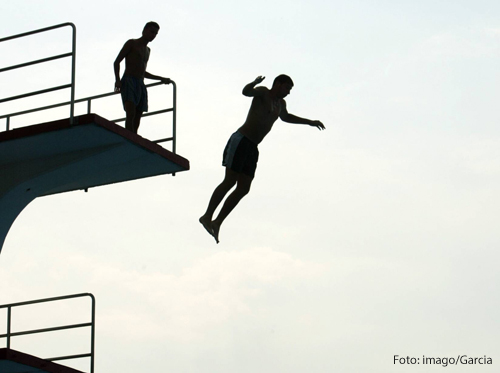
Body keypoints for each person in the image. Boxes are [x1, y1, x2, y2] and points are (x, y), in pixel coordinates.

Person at [199, 75, 325, 243]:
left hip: (253, 147)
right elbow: (246, 92)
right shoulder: (263, 93)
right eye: (286, 88)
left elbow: (286, 117)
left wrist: (309, 122)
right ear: (278, 84)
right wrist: (254, 83)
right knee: (230, 181)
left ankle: (217, 221)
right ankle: (207, 216)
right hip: (241, 140)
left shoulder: (281, 104)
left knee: (244, 188)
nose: (288, 93)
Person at [113, 21, 171, 133]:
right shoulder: (132, 43)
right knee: (130, 112)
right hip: (129, 80)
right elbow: (117, 62)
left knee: (139, 113)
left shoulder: (148, 51)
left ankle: (134, 135)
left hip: (140, 83)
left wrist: (161, 78)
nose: (153, 35)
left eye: (155, 34)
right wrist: (117, 80)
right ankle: (129, 136)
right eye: (151, 32)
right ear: (144, 31)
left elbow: (142, 71)